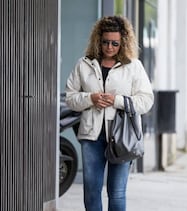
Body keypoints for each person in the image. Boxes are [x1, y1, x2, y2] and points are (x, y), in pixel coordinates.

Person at [65, 16, 154, 211]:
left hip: (122, 137)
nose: (110, 47)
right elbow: (70, 98)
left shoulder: (133, 66)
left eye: (115, 43)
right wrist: (91, 98)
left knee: (117, 192)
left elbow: (146, 101)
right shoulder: (84, 64)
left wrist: (117, 100)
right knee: (91, 191)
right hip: (91, 136)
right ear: (98, 40)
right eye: (105, 42)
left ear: (123, 42)